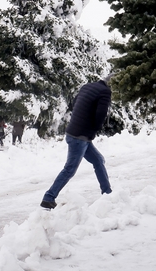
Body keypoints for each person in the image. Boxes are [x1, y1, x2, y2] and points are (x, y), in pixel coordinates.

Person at [40, 76, 113, 209]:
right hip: (80, 137)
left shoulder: (87, 86)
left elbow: (74, 104)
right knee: (70, 169)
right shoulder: (105, 92)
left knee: (98, 160)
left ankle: (107, 194)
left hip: (75, 133)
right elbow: (101, 113)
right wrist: (95, 128)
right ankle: (48, 197)